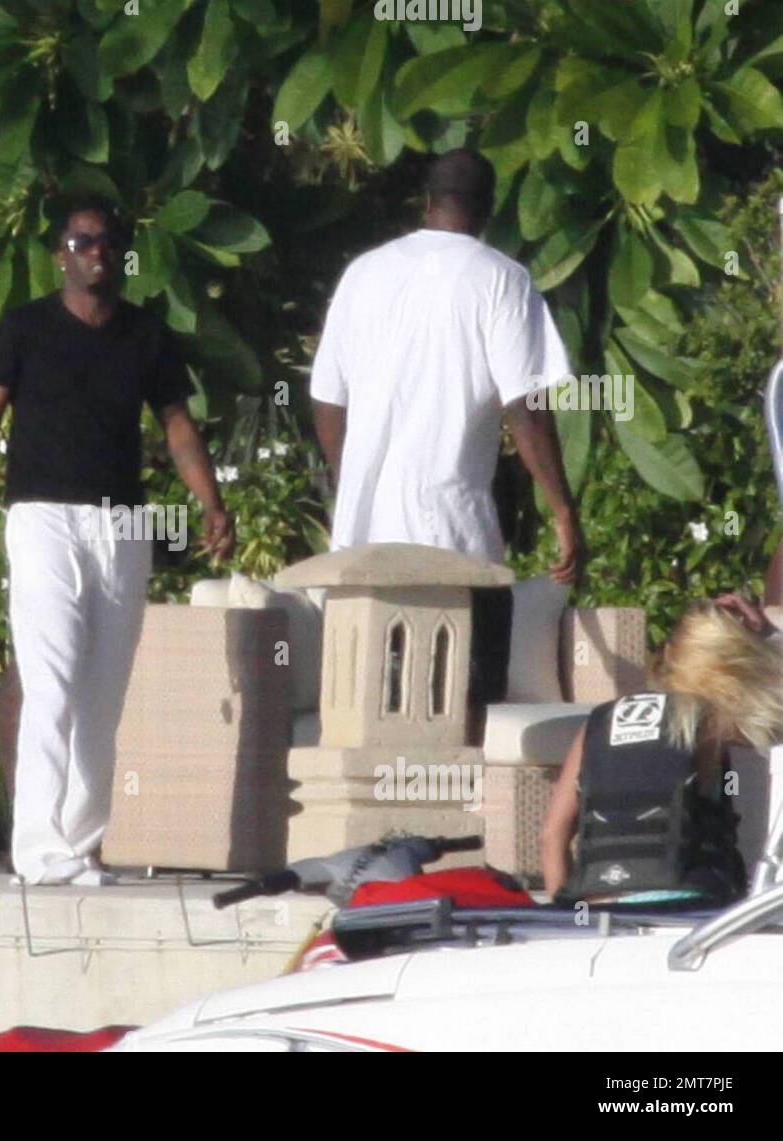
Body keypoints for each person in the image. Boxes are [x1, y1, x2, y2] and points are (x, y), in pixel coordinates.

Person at [0, 196, 235, 886]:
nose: (96, 252)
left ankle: (81, 844)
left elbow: (178, 427)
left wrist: (212, 503)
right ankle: (40, 850)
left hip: (122, 525)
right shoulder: (20, 329)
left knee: (106, 690)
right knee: (54, 679)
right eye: (82, 241)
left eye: (108, 242)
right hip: (41, 519)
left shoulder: (146, 335)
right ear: (59, 253)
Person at [308, 148, 586, 720]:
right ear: (488, 208)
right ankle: (463, 802)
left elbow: (326, 399)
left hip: (365, 538)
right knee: (464, 705)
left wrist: (353, 476)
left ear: (427, 201)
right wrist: (562, 511)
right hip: (452, 536)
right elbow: (526, 407)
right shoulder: (501, 280)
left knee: (380, 704)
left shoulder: (363, 273)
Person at [541, 594, 783, 907]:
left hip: (601, 902)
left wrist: (570, 918)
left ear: (669, 656)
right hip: (685, 903)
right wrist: (770, 636)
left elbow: (551, 836)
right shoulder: (715, 722)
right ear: (730, 669)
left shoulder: (599, 722)